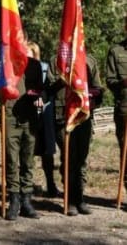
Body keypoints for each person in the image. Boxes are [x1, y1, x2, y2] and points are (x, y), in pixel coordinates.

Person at [48, 53, 103, 216]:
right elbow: (48, 87)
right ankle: (70, 199)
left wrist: (95, 96)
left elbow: (98, 89)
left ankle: (79, 198)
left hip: (83, 114)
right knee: (68, 158)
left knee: (81, 159)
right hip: (63, 115)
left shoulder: (90, 60)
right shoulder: (56, 60)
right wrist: (65, 78)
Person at [0, 51, 44, 221]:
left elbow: (42, 89)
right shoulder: (4, 64)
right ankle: (14, 200)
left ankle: (26, 200)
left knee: (27, 160)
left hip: (29, 117)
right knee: (11, 159)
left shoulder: (34, 64)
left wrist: (38, 97)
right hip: (10, 116)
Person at [26, 42, 59, 198]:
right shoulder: (21, 68)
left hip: (45, 112)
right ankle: (27, 185)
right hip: (27, 113)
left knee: (47, 151)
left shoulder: (44, 68)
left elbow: (49, 89)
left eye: (29, 53)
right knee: (28, 150)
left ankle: (51, 184)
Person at [106, 16, 127, 200]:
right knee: (126, 152)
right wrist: (123, 82)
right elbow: (110, 81)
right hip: (125, 110)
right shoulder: (116, 51)